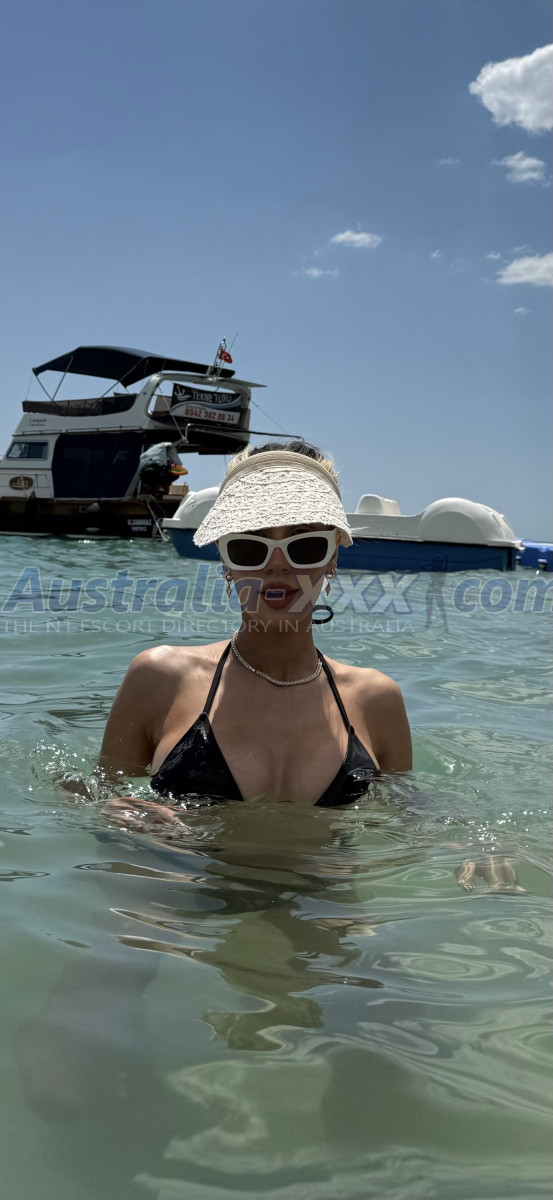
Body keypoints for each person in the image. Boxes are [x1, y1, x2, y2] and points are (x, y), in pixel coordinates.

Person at [100, 441, 412, 828]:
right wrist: (120, 814)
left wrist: (472, 847)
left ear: (332, 555)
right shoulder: (159, 677)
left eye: (305, 545)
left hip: (330, 872)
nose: (277, 565)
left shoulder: (377, 699)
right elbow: (97, 797)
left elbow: (409, 822)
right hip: (180, 870)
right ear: (225, 557)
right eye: (250, 546)